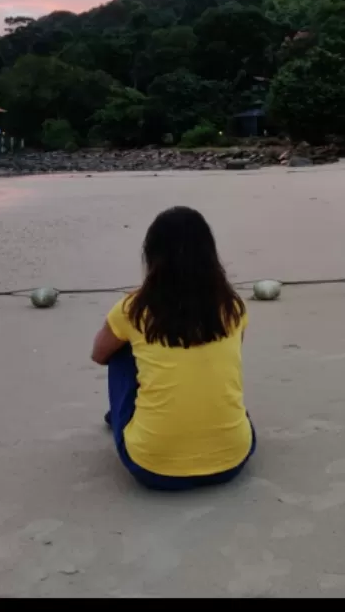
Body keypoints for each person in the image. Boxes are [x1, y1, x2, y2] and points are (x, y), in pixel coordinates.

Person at [91, 206, 256, 491]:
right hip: (232, 459)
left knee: (121, 352)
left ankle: (122, 415)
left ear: (152, 256)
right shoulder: (232, 306)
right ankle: (215, 423)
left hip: (151, 467)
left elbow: (99, 355)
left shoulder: (133, 309)